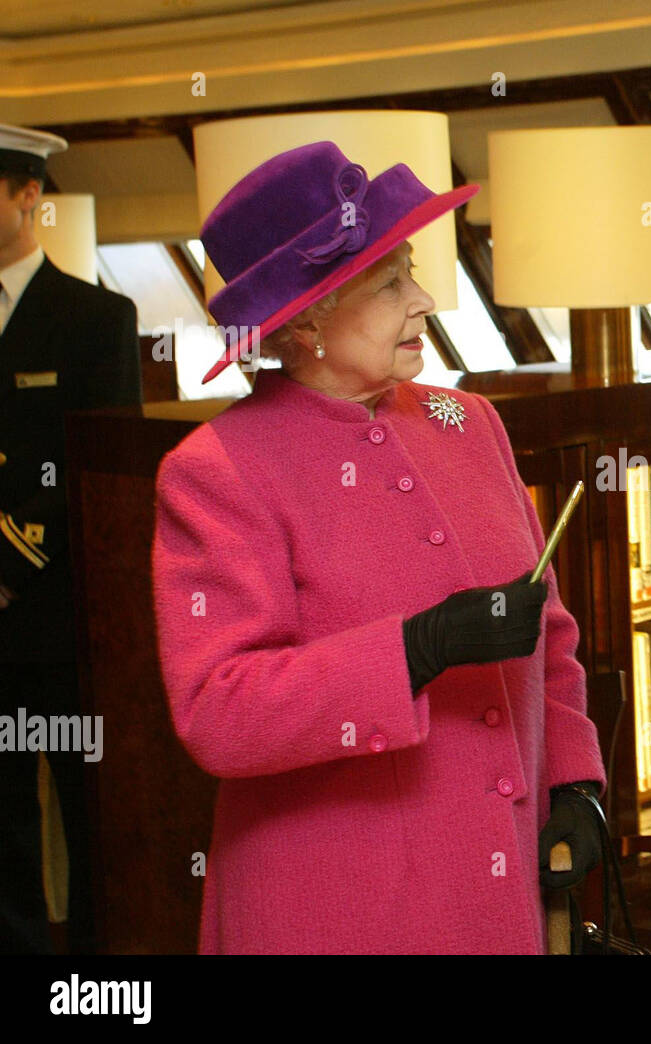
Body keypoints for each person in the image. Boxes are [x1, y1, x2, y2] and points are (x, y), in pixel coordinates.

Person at [151, 141, 605, 954]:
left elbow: (554, 633)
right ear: (306, 319)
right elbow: (219, 710)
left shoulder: (469, 425)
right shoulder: (216, 471)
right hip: (336, 911)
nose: (426, 300)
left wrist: (575, 782)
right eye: (391, 281)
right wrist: (416, 650)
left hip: (500, 906)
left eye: (415, 271)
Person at [0, 124, 141, 954]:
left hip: (64, 624)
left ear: (29, 195)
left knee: (96, 828)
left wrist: (11, 565)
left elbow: (98, 469)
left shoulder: (94, 319)